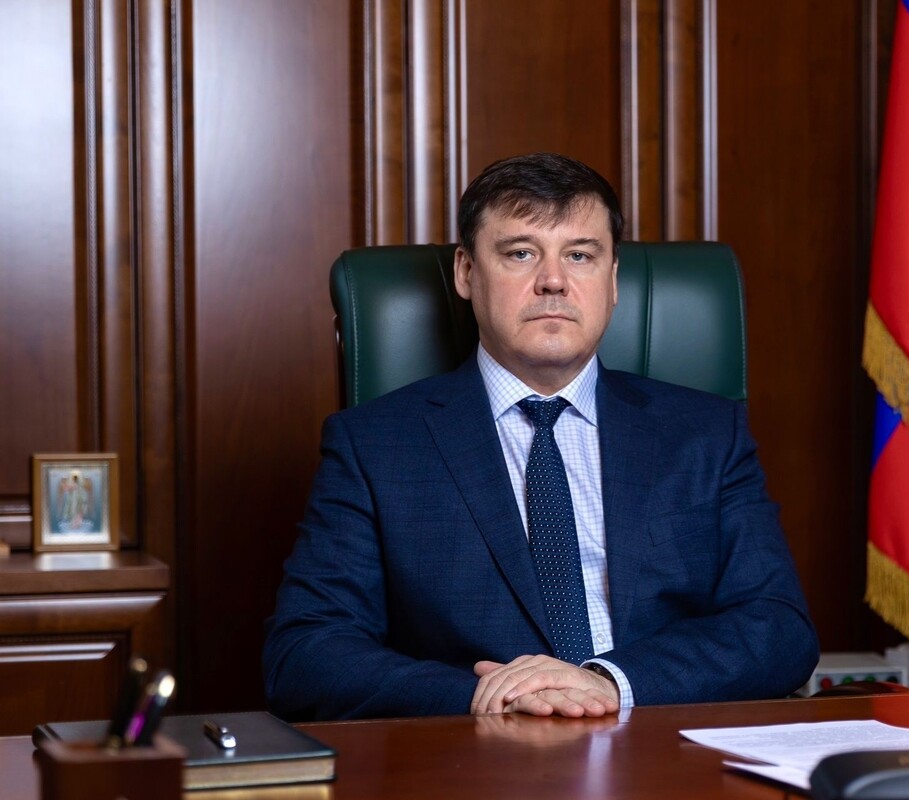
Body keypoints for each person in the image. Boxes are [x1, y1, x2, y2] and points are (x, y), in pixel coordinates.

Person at [263, 152, 818, 720]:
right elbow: (305, 653)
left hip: (661, 737)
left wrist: (609, 682)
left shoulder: (705, 433)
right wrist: (493, 696)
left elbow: (779, 627)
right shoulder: (374, 445)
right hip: (481, 752)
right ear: (466, 272)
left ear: (613, 279)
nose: (553, 281)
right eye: (521, 253)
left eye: (580, 255)